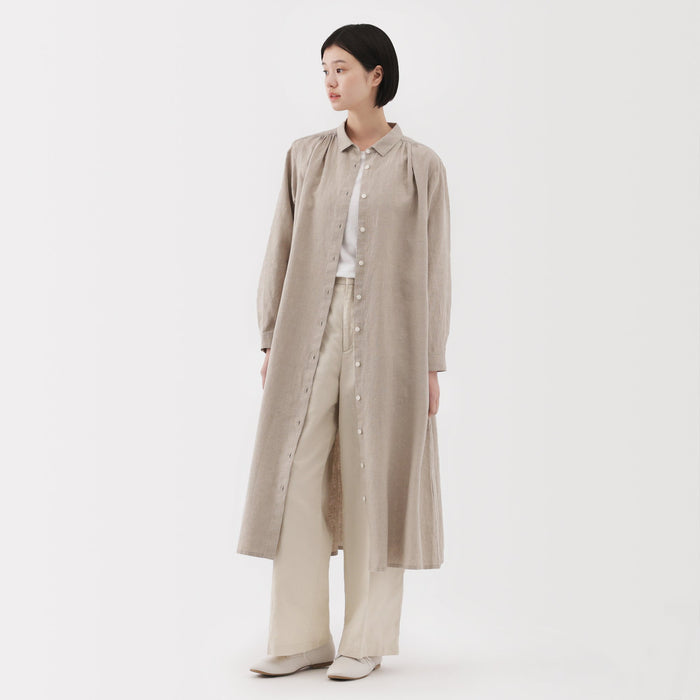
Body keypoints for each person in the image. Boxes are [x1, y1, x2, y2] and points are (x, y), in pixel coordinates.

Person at [238, 23, 452, 681]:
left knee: (373, 475)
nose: (330, 82)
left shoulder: (421, 165)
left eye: (342, 69)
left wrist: (431, 361)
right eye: (325, 70)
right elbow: (280, 246)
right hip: (308, 324)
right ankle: (300, 636)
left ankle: (365, 639)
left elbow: (437, 267)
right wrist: (272, 336)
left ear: (376, 75)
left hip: (390, 334)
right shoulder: (305, 155)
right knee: (295, 472)